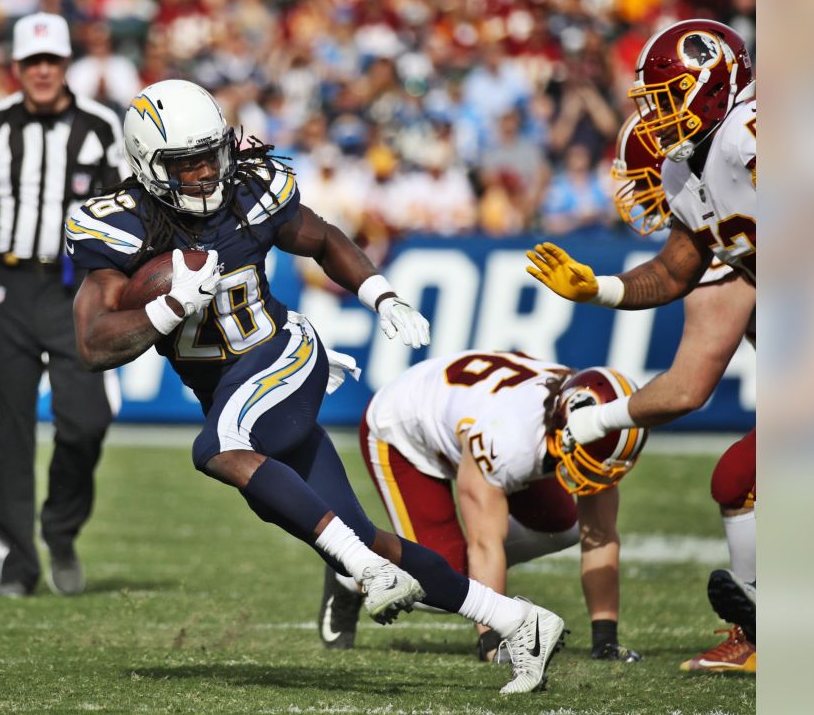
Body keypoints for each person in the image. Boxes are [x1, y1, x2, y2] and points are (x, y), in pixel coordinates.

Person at [66, 79, 566, 694]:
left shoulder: (248, 191)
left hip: (283, 354)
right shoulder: (120, 224)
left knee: (216, 448)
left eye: (209, 154)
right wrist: (168, 308)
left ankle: (363, 573)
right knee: (361, 537)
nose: (203, 173)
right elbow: (92, 344)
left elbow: (323, 238)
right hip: (231, 387)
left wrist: (379, 294)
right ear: (148, 165)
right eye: (184, 162)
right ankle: (520, 621)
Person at [526, 19, 758, 660]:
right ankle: (764, 628)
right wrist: (595, 288)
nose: (655, 120)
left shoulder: (749, 131)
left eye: (665, 98)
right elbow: (674, 268)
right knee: (740, 478)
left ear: (712, 85)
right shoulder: (689, 172)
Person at [0, 12, 124, 598]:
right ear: (16, 66)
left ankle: (61, 530)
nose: (42, 71)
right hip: (7, 286)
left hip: (76, 292)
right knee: (10, 426)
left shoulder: (101, 126)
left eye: (52, 60)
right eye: (32, 61)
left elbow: (128, 209)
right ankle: (17, 563)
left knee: (87, 420)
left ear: (67, 64)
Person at [317, 352, 647, 665]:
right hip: (403, 429)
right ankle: (354, 573)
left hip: (474, 415)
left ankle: (449, 562)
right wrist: (492, 640)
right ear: (566, 426)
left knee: (564, 526)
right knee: (449, 581)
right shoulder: (509, 439)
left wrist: (605, 641)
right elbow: (485, 543)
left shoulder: (584, 419)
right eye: (588, 459)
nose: (594, 473)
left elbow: (599, 534)